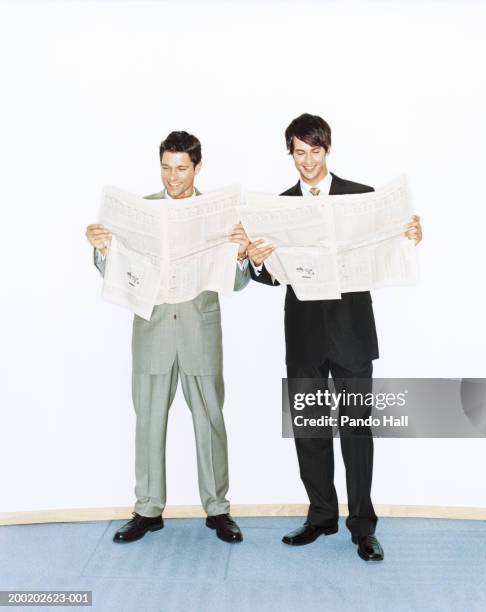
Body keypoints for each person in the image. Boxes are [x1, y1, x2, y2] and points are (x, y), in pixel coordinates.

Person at [246, 114, 422, 561]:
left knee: (358, 432)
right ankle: (321, 515)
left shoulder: (362, 199)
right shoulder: (279, 208)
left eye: (315, 151)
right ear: (290, 153)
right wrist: (258, 260)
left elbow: (388, 248)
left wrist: (410, 236)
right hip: (303, 334)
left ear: (328, 150)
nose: (307, 162)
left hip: (351, 334)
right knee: (309, 430)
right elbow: (269, 277)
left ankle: (363, 526)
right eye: (299, 153)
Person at [86, 131, 251, 544]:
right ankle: (147, 509)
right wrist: (104, 250)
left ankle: (218, 509)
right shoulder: (140, 214)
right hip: (153, 332)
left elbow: (235, 281)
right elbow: (120, 275)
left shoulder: (220, 215)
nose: (172, 177)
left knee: (210, 420)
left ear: (197, 167)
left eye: (181, 168)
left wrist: (243, 253)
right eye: (165, 167)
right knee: (148, 422)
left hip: (200, 328)